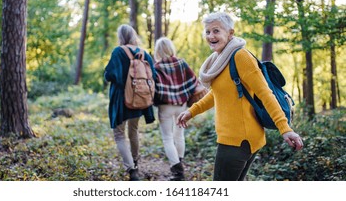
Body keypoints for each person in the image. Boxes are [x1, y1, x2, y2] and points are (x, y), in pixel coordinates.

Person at [177, 12, 304, 181]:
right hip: (236, 138)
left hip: (237, 141)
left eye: (216, 31)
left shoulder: (240, 57)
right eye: (207, 32)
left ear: (230, 33)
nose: (210, 36)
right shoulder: (221, 59)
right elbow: (218, 94)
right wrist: (191, 112)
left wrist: (285, 129)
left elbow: (266, 94)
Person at [104, 24, 156, 181]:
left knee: (119, 134)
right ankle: (136, 162)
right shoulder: (144, 54)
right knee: (134, 131)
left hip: (121, 100)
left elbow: (110, 75)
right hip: (140, 99)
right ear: (133, 35)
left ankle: (131, 170)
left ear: (121, 36)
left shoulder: (118, 52)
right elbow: (153, 75)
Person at [154, 37, 198, 181]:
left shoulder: (157, 67)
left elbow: (154, 89)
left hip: (165, 106)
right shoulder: (181, 63)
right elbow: (194, 82)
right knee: (179, 135)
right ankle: (180, 163)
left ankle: (178, 172)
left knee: (167, 138)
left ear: (158, 50)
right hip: (181, 105)